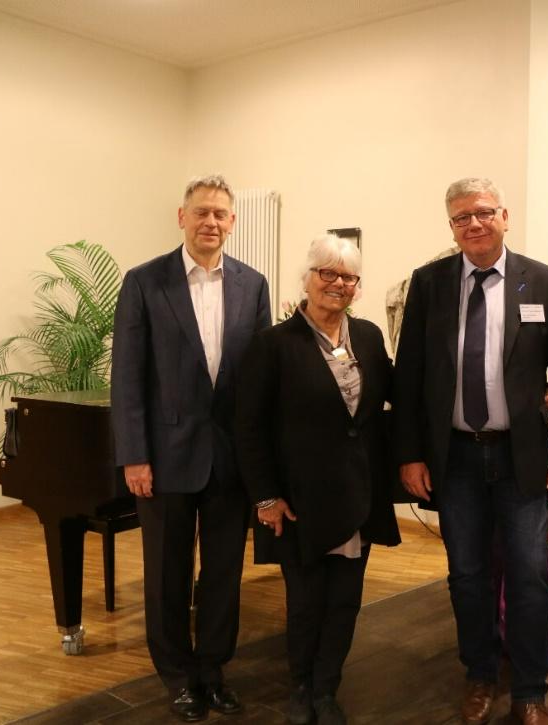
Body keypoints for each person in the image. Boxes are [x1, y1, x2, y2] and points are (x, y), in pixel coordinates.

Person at [393, 177, 548, 725]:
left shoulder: (541, 280)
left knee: (529, 574)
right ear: (451, 227)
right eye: (462, 217)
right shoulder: (429, 283)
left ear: (504, 216)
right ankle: (479, 675)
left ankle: (529, 690)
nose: (474, 224)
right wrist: (410, 453)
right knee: (467, 574)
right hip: (454, 458)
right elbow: (409, 375)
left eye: (483, 212)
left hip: (519, 457)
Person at [111, 175, 271, 722]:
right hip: (163, 457)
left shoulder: (253, 285)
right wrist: (134, 455)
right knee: (167, 576)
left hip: (229, 460)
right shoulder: (144, 282)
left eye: (220, 214)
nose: (211, 222)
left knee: (224, 574)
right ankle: (178, 677)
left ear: (232, 222)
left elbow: (258, 379)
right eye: (201, 212)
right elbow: (127, 378)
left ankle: (213, 671)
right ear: (182, 217)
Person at [234, 235, 401, 725]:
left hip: (357, 494)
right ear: (306, 279)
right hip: (300, 499)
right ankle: (301, 687)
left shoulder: (368, 336)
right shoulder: (273, 344)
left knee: (345, 600)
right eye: (327, 273)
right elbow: (248, 428)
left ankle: (328, 689)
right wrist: (266, 496)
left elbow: (396, 394)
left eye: (348, 276)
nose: (338, 284)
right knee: (305, 601)